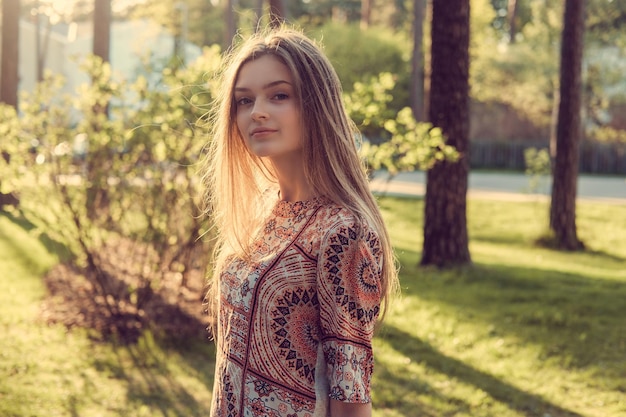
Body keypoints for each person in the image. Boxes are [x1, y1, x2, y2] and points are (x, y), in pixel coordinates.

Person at [201, 26, 398, 417]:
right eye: (244, 100)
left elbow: (351, 397)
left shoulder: (343, 232)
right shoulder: (262, 212)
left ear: (316, 104)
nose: (257, 111)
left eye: (279, 95)